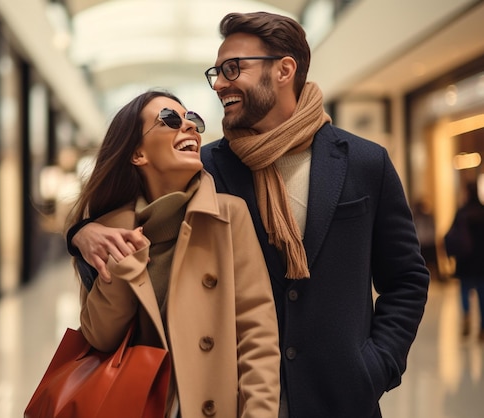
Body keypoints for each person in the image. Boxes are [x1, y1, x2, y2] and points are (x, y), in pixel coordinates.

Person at [67, 12, 430, 417]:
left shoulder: (364, 162)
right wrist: (82, 232)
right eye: (216, 73)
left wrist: (378, 364)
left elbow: (406, 278)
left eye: (232, 68)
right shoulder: (206, 167)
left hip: (341, 395)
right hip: (240, 397)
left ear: (283, 69)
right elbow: (135, 205)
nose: (220, 83)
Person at [67, 90, 281, 417]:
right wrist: (120, 265)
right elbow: (101, 338)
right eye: (170, 119)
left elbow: (257, 335)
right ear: (137, 153)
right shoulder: (109, 232)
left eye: (193, 120)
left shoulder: (228, 216)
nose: (190, 128)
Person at [445, 181, 484, 340]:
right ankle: (482, 328)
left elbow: (451, 234)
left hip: (465, 261)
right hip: (482, 261)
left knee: (464, 290)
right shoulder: (482, 212)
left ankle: (466, 316)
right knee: (482, 294)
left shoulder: (462, 212)